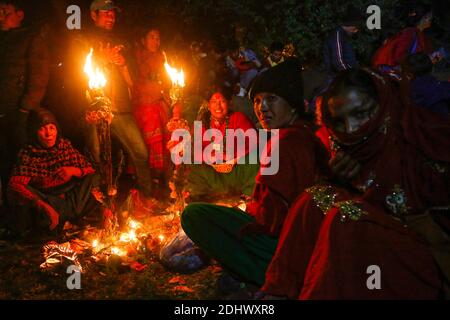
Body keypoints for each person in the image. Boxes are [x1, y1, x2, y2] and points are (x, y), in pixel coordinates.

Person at [260, 68, 450, 299]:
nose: (350, 129)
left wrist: (368, 201)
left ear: (383, 104)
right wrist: (341, 181)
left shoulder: (422, 136)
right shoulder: (349, 149)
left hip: (428, 256)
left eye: (361, 113)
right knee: (315, 197)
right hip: (383, 239)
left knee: (346, 218)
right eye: (339, 121)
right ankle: (277, 293)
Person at [181, 59, 329, 290]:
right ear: (208, 105)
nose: (262, 108)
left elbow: (278, 216)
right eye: (258, 101)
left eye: (271, 99)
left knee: (194, 215)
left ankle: (265, 270)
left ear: (291, 104)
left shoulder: (283, 139)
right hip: (228, 181)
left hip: (286, 242)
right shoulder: (298, 132)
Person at [71, 0, 153, 199]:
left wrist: (123, 63)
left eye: (113, 14)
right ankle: (99, 206)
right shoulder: (82, 40)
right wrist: (102, 58)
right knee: (97, 157)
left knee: (140, 152)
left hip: (120, 106)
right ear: (93, 15)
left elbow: (131, 80)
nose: (111, 17)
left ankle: (146, 198)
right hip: (94, 108)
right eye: (106, 13)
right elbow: (75, 72)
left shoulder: (120, 40)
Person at [7, 108, 104, 237]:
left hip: (73, 199)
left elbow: (89, 170)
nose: (49, 134)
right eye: (42, 129)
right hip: (49, 200)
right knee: (25, 198)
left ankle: (68, 218)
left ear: (57, 129)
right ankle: (63, 220)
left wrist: (73, 170)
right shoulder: (29, 153)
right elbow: (14, 184)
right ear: (34, 132)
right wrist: (43, 206)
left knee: (94, 178)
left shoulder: (64, 147)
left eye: (52, 128)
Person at [0, 0, 49, 205]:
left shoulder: (30, 39)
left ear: (19, 14)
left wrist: (24, 108)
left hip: (18, 113)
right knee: (3, 164)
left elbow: (39, 76)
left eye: (5, 11)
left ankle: (30, 212)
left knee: (22, 165)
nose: (0, 15)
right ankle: (10, 213)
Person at [185, 85, 259, 201]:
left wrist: (231, 155)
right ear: (208, 105)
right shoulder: (201, 124)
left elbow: (254, 141)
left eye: (222, 101)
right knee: (193, 163)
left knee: (255, 156)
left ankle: (248, 196)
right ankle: (202, 198)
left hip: (236, 169)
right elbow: (196, 150)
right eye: (214, 102)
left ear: (229, 103)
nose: (218, 106)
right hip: (213, 172)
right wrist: (211, 157)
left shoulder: (238, 118)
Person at [133, 26, 172, 187]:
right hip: (144, 106)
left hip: (160, 104)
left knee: (166, 138)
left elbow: (167, 82)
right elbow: (138, 84)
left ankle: (165, 179)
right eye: (152, 37)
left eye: (158, 38)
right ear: (143, 40)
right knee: (149, 143)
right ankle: (150, 181)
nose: (156, 41)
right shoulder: (137, 58)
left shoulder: (162, 58)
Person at [372, 3, 441, 76]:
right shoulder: (409, 33)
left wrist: (430, 58)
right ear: (424, 18)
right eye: (429, 16)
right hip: (391, 71)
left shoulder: (420, 34)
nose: (431, 18)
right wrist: (426, 61)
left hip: (405, 70)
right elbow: (400, 56)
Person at [323, 5, 363, 79]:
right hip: (337, 78)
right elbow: (338, 61)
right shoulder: (337, 35)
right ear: (349, 24)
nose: (356, 31)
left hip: (344, 76)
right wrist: (349, 76)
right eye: (355, 28)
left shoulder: (344, 35)